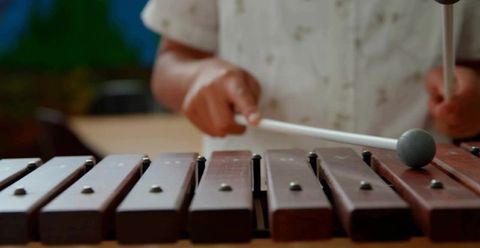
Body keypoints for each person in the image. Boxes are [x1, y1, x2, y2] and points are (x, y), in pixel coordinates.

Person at [142, 0, 480, 155]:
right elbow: (171, 64)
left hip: (421, 198)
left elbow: (471, 65)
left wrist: (471, 95)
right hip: (252, 198)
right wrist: (199, 77)